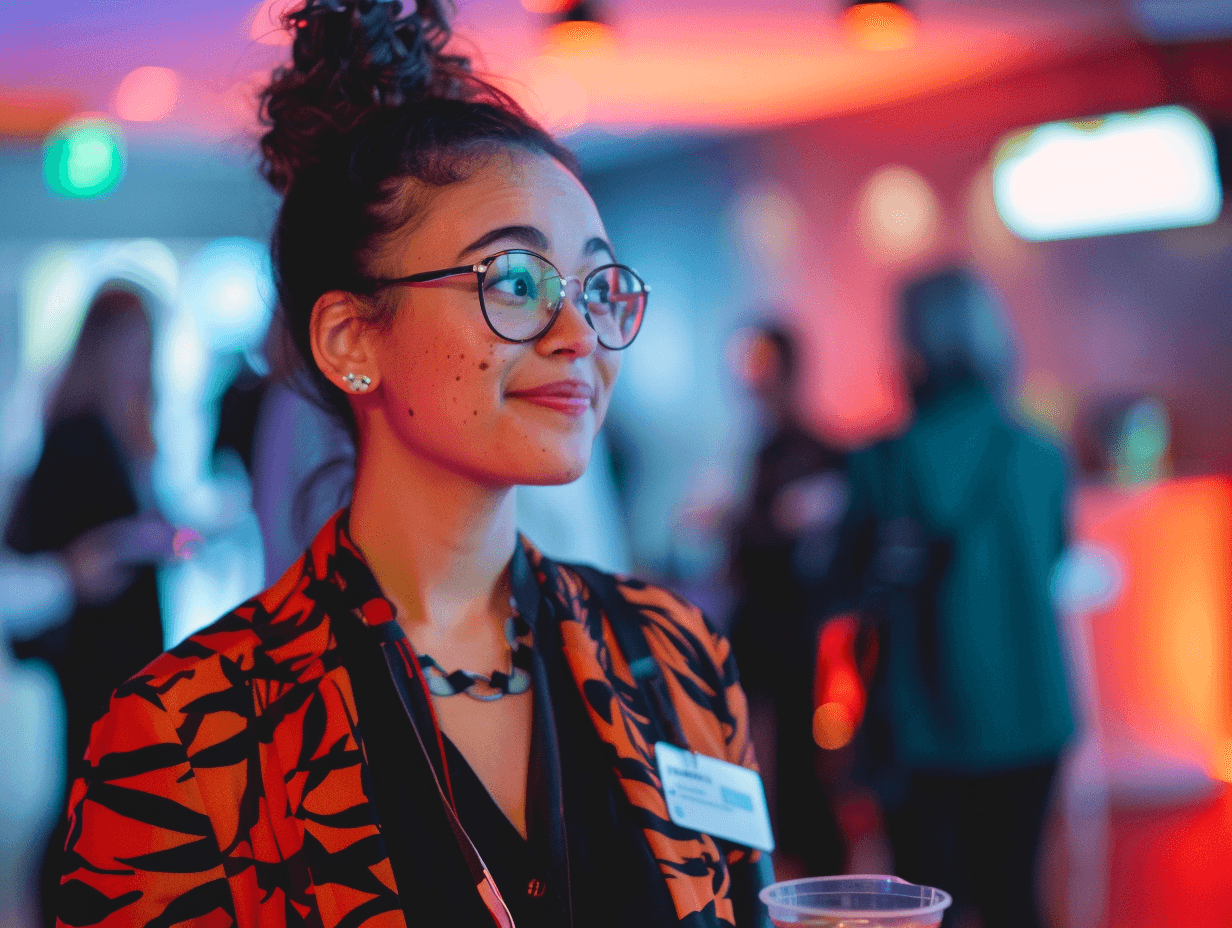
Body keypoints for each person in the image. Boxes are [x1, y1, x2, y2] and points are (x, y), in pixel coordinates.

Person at [56, 3, 772, 927]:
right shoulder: (188, 737)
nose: (578, 335)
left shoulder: (673, 653)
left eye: (599, 287)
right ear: (353, 337)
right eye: (515, 281)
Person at [828, 268, 1073, 928]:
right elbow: (1052, 561)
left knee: (927, 910)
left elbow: (845, 587)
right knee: (1018, 898)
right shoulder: (1043, 455)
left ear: (911, 347)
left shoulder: (881, 463)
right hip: (1033, 715)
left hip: (920, 724)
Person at [5, 282, 177, 927]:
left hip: (119, 649)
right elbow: (53, 550)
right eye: (134, 346)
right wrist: (78, 571)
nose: (142, 361)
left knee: (103, 793)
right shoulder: (79, 433)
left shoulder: (122, 428)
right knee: (91, 791)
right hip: (96, 653)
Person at [728, 323, 847, 876]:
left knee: (803, 770)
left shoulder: (817, 453)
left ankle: (814, 881)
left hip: (802, 637)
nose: (750, 377)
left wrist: (752, 525)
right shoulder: (761, 451)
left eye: (759, 362)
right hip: (763, 633)